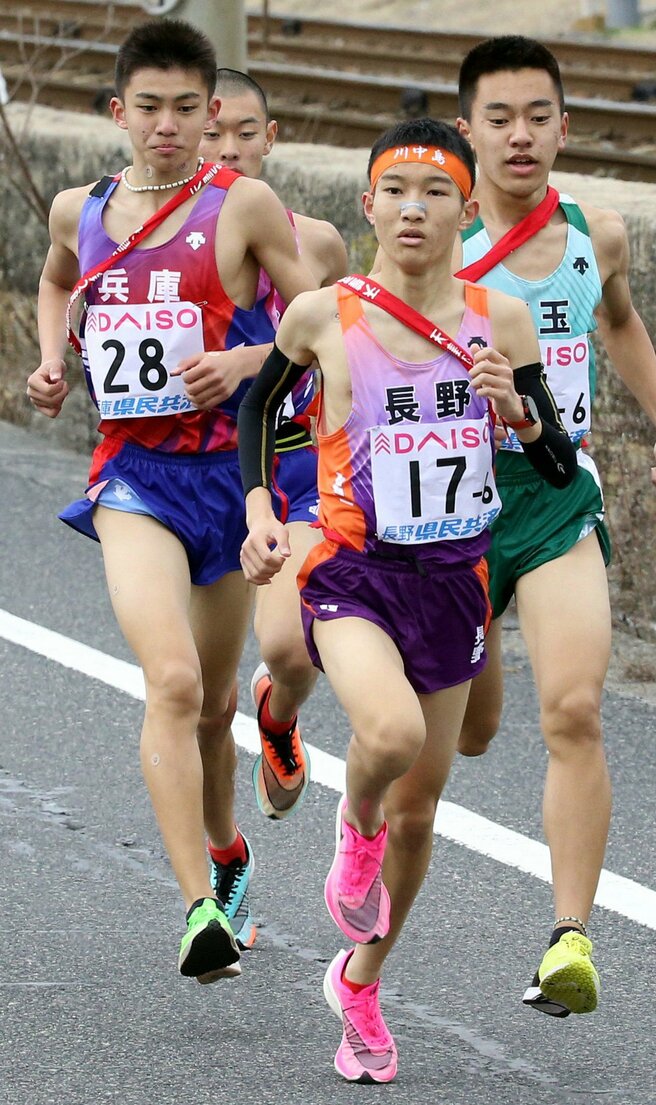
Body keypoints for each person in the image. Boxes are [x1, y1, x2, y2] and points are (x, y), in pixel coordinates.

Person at [237, 118, 578, 1082]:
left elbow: (554, 464)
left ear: (467, 211)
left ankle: (359, 981)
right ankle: (353, 832)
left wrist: (514, 407)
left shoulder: (498, 321)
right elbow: (261, 407)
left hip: (454, 581)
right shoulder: (323, 313)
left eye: (436, 193)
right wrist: (263, 506)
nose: (413, 209)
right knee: (383, 741)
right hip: (351, 571)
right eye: (396, 189)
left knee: (424, 811)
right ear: (367, 202)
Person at [27, 20, 317, 984]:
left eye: (186, 109)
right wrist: (51, 358)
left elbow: (326, 326)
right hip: (134, 477)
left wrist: (248, 359)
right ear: (119, 113)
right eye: (148, 107)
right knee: (175, 681)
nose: (167, 125)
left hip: (232, 484)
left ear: (212, 114)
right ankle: (199, 907)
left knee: (217, 702)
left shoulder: (248, 207)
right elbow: (59, 278)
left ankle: (228, 848)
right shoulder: (82, 207)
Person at [454, 35, 656, 1017]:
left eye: (537, 116)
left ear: (564, 124)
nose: (520, 136)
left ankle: (570, 938)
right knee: (468, 735)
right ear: (465, 129)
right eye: (498, 118)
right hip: (455, 511)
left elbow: (619, 321)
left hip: (558, 498)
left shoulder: (603, 233)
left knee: (576, 709)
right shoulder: (436, 240)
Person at [198, 67, 347, 820]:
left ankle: (280, 710)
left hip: (293, 467)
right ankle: (219, 855)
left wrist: (245, 363)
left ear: (271, 138)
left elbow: (347, 338)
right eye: (213, 132)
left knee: (289, 648)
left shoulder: (316, 243)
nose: (229, 148)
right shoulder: (170, 249)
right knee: (198, 696)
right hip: (200, 475)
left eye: (245, 132)